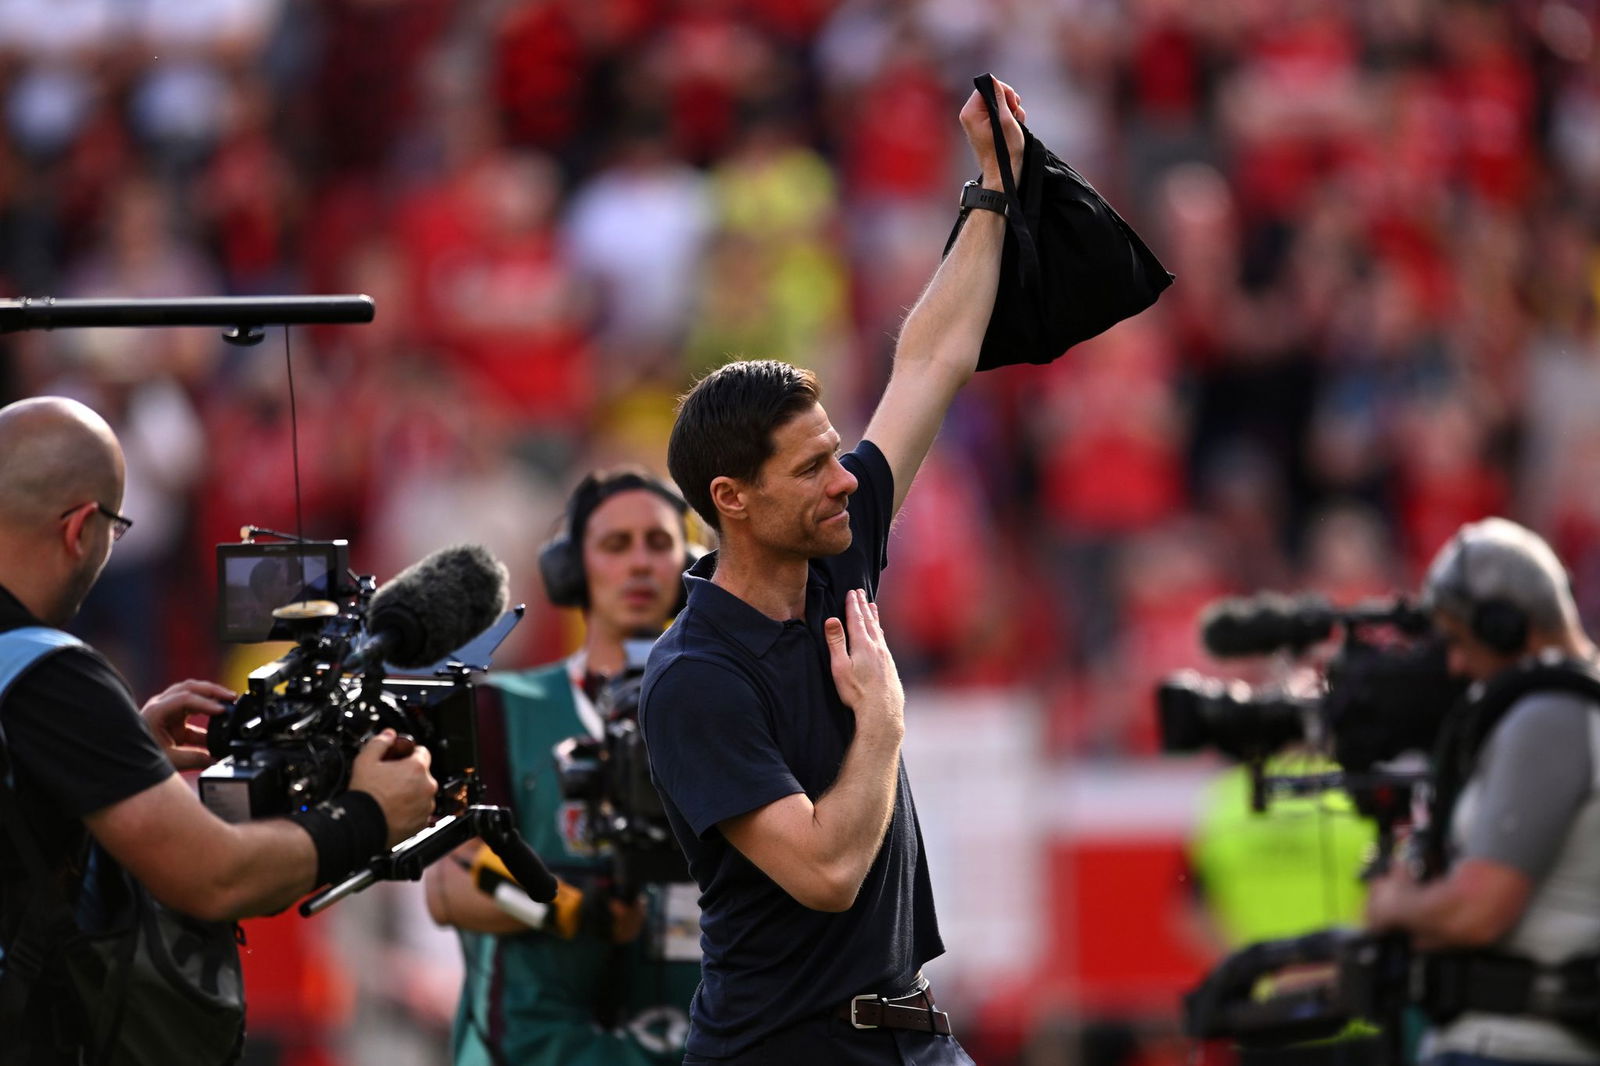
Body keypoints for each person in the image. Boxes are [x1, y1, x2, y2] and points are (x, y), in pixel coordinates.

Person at [637, 77, 1030, 1065]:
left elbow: (930, 361)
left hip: (912, 1032)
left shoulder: (834, 549)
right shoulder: (694, 676)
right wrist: (885, 718)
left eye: (834, 452)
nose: (843, 479)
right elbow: (824, 869)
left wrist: (988, 192)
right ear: (733, 499)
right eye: (811, 465)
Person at [0, 395, 438, 1063]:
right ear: (81, 528)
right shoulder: (52, 675)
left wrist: (108, 761)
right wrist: (368, 816)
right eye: (116, 528)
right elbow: (214, 875)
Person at [424, 467, 701, 1066]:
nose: (639, 564)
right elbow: (451, 886)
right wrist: (574, 909)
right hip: (531, 1049)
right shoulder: (499, 710)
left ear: (689, 565)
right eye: (615, 544)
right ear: (571, 569)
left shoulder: (726, 716)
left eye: (659, 543)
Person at [1365, 517, 1600, 1065]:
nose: (1453, 663)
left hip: (1512, 1046)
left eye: (1456, 638)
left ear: (1503, 625)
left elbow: (1478, 911)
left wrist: (1395, 904)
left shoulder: (1549, 715)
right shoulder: (1575, 706)